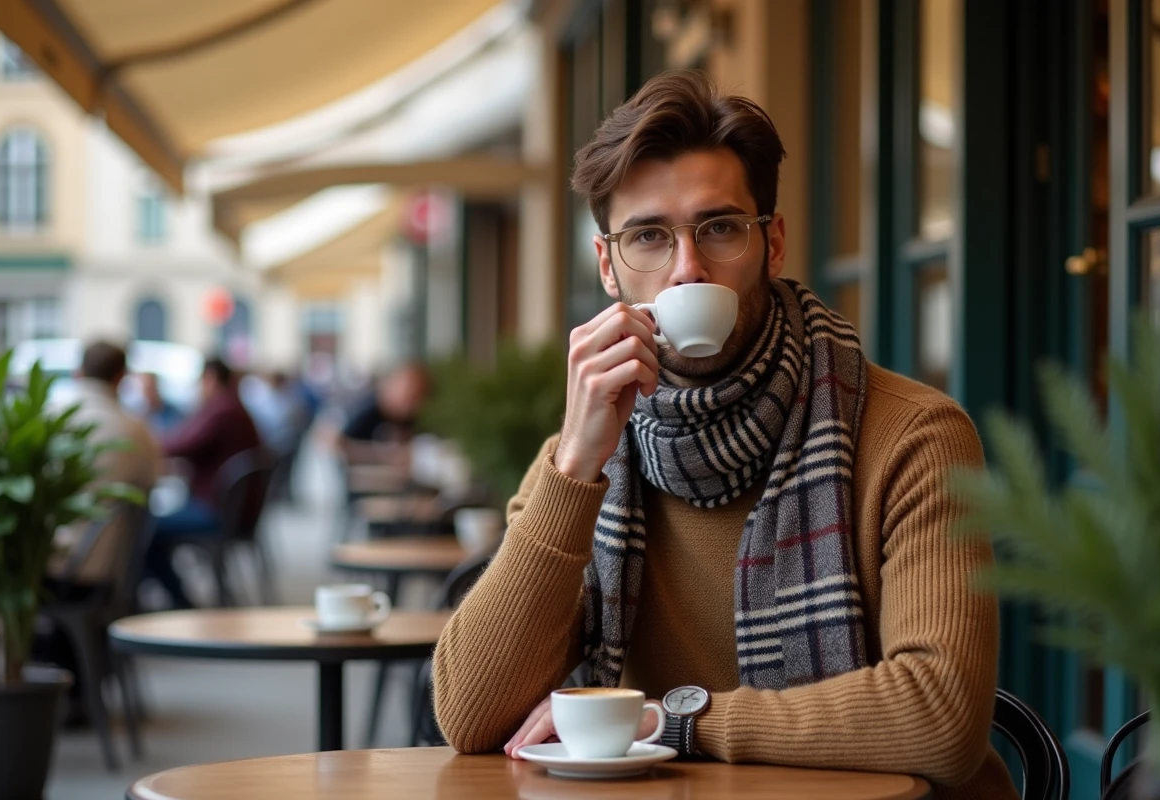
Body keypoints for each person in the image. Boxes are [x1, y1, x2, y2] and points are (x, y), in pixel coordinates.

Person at [431, 72, 1016, 799]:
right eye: (648, 236)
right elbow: (470, 714)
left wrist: (674, 723)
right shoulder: (590, 447)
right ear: (608, 267)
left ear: (771, 244)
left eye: (719, 228)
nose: (686, 269)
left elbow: (941, 716)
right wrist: (577, 463)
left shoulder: (914, 436)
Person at [142, 356, 261, 609]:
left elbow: (181, 444)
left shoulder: (223, 410)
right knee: (150, 524)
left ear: (211, 378)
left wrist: (145, 444)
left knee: (145, 528)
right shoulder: (232, 407)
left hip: (216, 511)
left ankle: (178, 601)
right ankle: (172, 598)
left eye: (201, 381)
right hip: (226, 507)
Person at [47, 342, 162, 584]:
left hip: (46, 562)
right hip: (108, 563)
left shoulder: (49, 417)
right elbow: (153, 483)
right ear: (121, 377)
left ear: (79, 371)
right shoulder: (135, 429)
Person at [336, 362, 430, 469]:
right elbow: (334, 443)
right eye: (411, 396)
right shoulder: (366, 407)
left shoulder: (403, 419)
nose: (413, 406)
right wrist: (383, 457)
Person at [138, 372, 185, 436]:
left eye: (151, 388)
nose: (149, 393)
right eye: (146, 389)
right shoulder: (138, 415)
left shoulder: (174, 414)